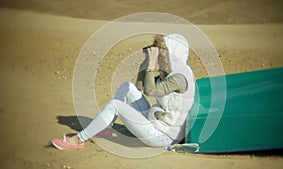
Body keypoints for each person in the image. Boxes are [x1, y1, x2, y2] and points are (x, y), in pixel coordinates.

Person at [52, 33, 195, 150]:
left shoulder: (180, 78)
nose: (160, 56)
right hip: (157, 122)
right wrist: (146, 63)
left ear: (173, 55)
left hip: (163, 136)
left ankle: (78, 140)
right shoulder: (169, 73)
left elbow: (152, 91)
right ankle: (105, 128)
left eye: (163, 52)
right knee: (127, 87)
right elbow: (140, 87)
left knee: (115, 105)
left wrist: (152, 65)